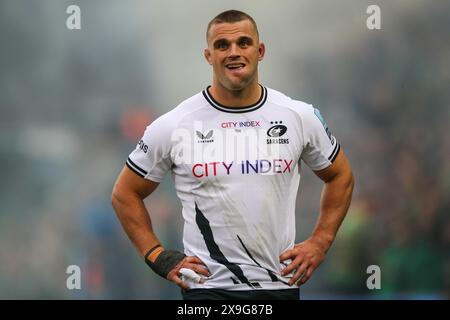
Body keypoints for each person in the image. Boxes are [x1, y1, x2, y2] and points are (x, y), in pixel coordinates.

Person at [111, 9, 354, 300]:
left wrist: (321, 241)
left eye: (243, 43)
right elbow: (124, 194)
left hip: (278, 286)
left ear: (260, 50)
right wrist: (157, 256)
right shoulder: (174, 124)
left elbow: (340, 175)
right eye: (222, 46)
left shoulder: (297, 115)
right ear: (208, 55)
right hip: (208, 290)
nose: (233, 52)